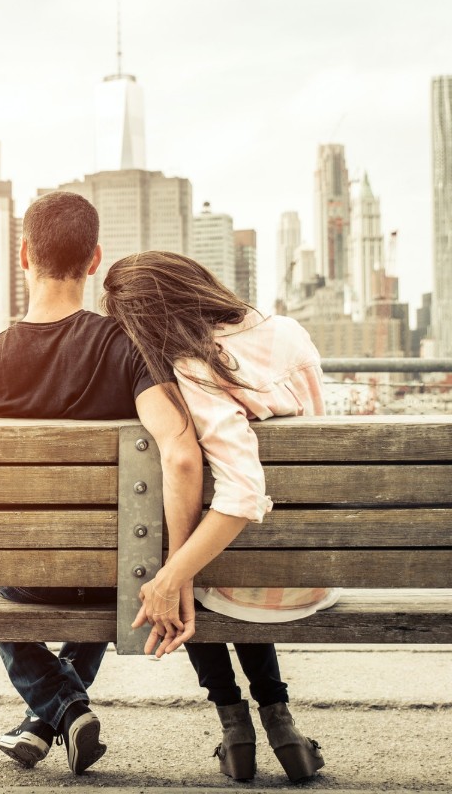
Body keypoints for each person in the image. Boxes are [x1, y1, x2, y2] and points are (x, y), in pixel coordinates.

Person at [0, 193, 202, 775]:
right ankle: (58, 711)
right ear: (94, 261)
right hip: (108, 574)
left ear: (24, 256)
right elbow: (182, 457)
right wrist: (176, 570)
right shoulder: (129, 349)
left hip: (23, 580)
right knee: (109, 558)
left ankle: (56, 710)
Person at [102, 250, 337, 783]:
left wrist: (171, 574)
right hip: (312, 568)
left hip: (252, 579)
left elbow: (243, 493)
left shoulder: (196, 365)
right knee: (213, 568)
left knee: (187, 580)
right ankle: (280, 722)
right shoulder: (288, 331)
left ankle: (236, 728)